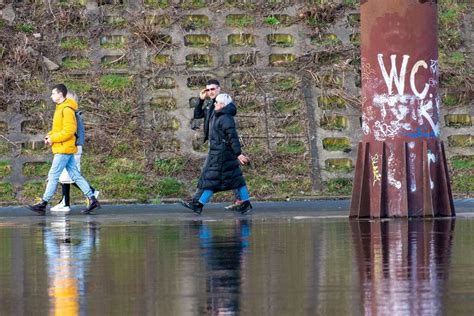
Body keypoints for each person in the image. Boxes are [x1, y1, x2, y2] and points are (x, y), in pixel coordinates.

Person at [28, 84, 100, 215]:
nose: (51, 96)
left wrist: (53, 138)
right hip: (63, 147)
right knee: (75, 175)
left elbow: (69, 131)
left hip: (63, 148)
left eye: (53, 93)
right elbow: (58, 129)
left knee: (53, 175)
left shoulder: (66, 109)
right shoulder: (60, 108)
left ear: (60, 94)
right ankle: (92, 198)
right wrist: (49, 135)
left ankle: (43, 203)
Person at [181, 93, 252, 215]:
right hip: (219, 153)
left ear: (223, 105)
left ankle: (199, 204)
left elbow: (232, 137)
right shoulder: (220, 115)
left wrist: (238, 154)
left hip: (222, 155)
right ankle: (245, 203)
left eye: (217, 102)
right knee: (233, 179)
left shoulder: (225, 118)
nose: (215, 104)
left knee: (213, 179)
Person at [190, 79, 245, 210]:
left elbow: (232, 114)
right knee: (232, 174)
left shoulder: (224, 104)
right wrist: (201, 100)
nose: (210, 92)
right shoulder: (210, 105)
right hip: (215, 145)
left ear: (219, 89)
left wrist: (238, 152)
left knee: (208, 173)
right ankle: (242, 201)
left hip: (222, 147)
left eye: (213, 89)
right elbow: (197, 114)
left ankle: (196, 201)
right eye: (208, 90)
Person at [50, 91, 99, 213]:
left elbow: (72, 133)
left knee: (71, 176)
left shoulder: (72, 114)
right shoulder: (70, 113)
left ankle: (91, 192)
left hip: (73, 148)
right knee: (65, 176)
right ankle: (65, 202)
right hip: (70, 147)